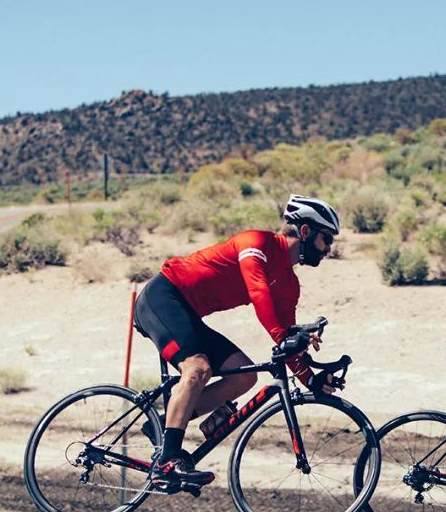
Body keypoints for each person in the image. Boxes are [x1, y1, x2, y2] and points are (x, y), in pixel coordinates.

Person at [133, 195, 342, 486]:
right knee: (198, 369)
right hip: (162, 297)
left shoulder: (289, 283)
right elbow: (259, 293)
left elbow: (285, 343)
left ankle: (161, 425)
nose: (329, 248)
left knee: (245, 377)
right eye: (327, 239)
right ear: (305, 232)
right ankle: (167, 462)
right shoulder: (255, 243)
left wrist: (312, 379)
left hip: (188, 314)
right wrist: (285, 338)